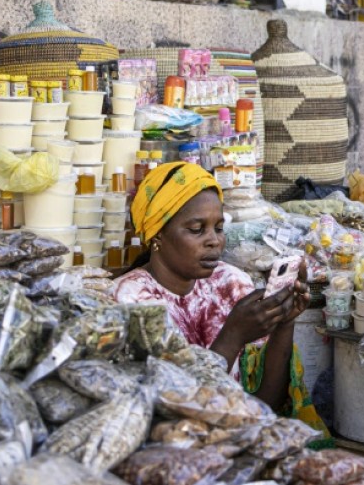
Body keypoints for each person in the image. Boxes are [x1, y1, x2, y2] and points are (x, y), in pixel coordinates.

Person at [113, 162, 330, 444]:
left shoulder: (230, 282)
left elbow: (266, 404)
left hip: (236, 442)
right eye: (196, 229)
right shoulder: (130, 302)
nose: (214, 241)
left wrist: (284, 322)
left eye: (218, 228)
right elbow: (168, 419)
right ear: (157, 236)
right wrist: (233, 336)